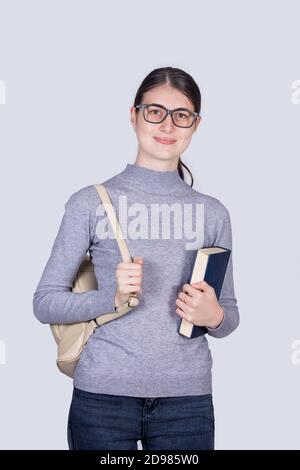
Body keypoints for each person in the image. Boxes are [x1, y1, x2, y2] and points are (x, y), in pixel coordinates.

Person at [33, 66, 240, 450]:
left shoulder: (214, 213)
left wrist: (214, 316)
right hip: (102, 400)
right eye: (154, 111)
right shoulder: (89, 203)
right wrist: (110, 297)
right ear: (134, 115)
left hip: (187, 403)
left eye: (181, 115)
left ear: (195, 124)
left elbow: (228, 316)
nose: (167, 125)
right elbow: (44, 303)